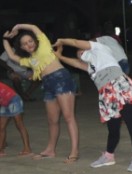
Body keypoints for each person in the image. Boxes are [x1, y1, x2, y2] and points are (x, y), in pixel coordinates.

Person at [54, 37, 132, 171]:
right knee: (113, 129)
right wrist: (59, 56)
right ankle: (109, 156)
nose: (79, 53)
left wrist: (62, 40)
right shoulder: (91, 66)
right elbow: (75, 63)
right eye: (78, 53)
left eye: (81, 50)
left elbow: (75, 42)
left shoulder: (101, 49)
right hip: (106, 95)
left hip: (120, 87)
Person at [3, 24, 80, 162]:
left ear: (35, 41)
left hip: (60, 78)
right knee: (52, 120)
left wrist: (18, 27)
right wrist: (5, 38)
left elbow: (33, 27)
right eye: (25, 44)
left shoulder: (44, 45)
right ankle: (50, 150)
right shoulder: (29, 60)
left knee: (68, 117)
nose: (28, 44)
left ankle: (74, 151)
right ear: (22, 48)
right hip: (47, 84)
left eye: (30, 41)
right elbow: (11, 56)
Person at [0, 80, 31, 156]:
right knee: (1, 127)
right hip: (4, 103)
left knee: (19, 124)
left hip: (13, 100)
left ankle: (27, 148)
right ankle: (1, 149)